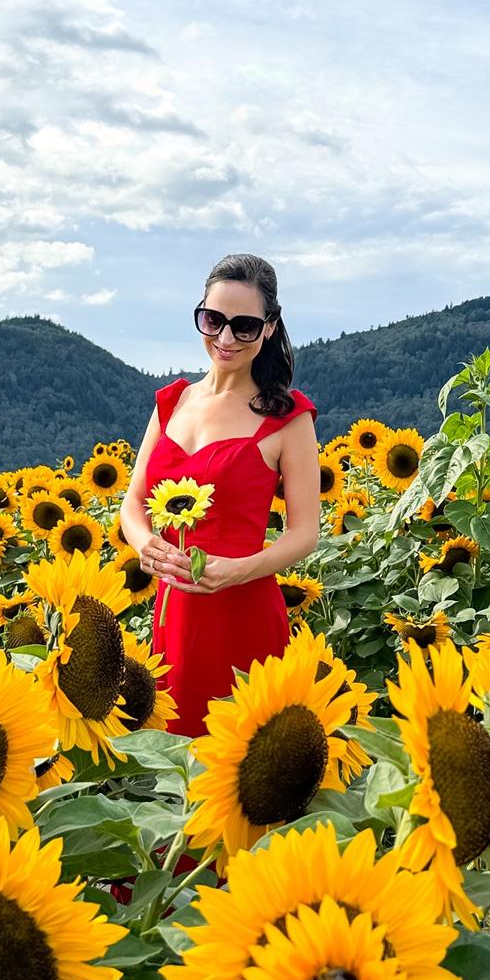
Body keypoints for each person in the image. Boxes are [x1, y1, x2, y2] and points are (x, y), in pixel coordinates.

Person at [119, 252, 321, 741]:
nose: (225, 339)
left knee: (244, 758)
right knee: (168, 762)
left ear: (269, 328)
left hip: (244, 614)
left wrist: (239, 570)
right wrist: (145, 543)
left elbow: (305, 533)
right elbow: (133, 502)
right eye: (213, 320)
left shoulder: (287, 418)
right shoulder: (172, 403)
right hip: (172, 617)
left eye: (244, 326)